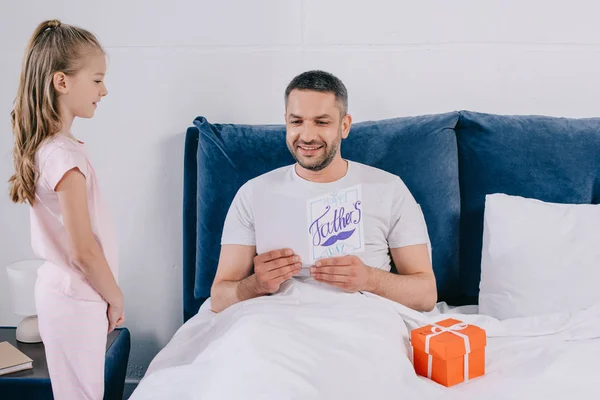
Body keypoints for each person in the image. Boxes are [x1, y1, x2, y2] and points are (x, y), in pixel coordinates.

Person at [211, 70, 437, 314]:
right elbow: (219, 299)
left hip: (361, 317)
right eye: (296, 122)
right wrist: (255, 284)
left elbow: (426, 295)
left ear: (344, 126)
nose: (307, 136)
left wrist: (369, 279)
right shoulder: (253, 193)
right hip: (274, 321)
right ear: (286, 121)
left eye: (321, 122)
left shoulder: (389, 189)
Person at [8, 19, 123, 400]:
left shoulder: (51, 149)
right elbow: (83, 250)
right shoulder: (65, 156)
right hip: (77, 299)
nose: (104, 90)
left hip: (63, 295)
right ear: (62, 82)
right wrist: (115, 297)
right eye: (96, 80)